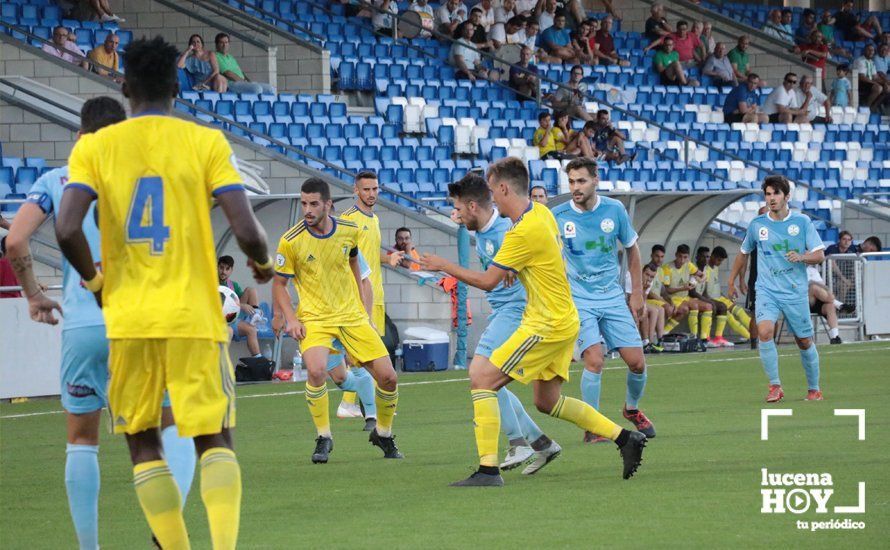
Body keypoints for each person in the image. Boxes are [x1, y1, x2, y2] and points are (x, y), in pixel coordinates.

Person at [54, 37, 274, 549]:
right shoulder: (206, 142)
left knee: (143, 440)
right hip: (195, 317)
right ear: (179, 87)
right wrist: (262, 264)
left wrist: (96, 283)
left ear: (124, 87)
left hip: (129, 319)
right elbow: (245, 229)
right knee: (213, 437)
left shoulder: (94, 146)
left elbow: (66, 229)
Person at [5, 96, 197, 550]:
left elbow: (14, 240)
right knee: (173, 426)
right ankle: (166, 533)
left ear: (79, 137)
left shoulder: (57, 179)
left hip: (84, 325)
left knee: (81, 440)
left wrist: (34, 294)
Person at [419, 157, 647, 487]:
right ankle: (625, 439)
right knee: (546, 402)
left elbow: (486, 281)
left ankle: (488, 470)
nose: (491, 198)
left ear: (503, 188)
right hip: (563, 318)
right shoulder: (542, 214)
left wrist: (443, 264)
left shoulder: (522, 231)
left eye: (493, 190)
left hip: (545, 323)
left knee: (481, 377)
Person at [272, 178, 402, 463]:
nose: (307, 209)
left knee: (389, 378)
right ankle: (323, 437)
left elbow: (354, 262)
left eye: (314, 203)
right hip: (315, 319)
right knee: (317, 371)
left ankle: (383, 432)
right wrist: (289, 318)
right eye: (304, 203)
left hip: (351, 316)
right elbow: (279, 284)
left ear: (328, 204)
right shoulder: (290, 240)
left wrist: (361, 310)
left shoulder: (348, 230)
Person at [448, 173, 561, 474]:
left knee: (480, 374)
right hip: (504, 311)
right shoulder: (485, 230)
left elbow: (512, 267)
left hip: (517, 311)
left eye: (458, 208)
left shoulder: (504, 232)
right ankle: (540, 443)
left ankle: (518, 442)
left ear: (472, 206)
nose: (454, 214)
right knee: (490, 382)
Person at [552, 158, 656, 444]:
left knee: (637, 363)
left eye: (581, 181)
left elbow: (632, 250)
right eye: (571, 181)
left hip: (611, 296)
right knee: (595, 361)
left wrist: (636, 292)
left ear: (596, 179)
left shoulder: (615, 210)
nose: (575, 187)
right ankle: (593, 426)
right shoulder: (558, 215)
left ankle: (631, 409)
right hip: (579, 299)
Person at [728, 176, 825, 403]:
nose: (771, 198)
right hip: (766, 290)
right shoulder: (758, 225)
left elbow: (819, 254)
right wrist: (731, 281)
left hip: (794, 291)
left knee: (803, 341)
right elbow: (743, 253)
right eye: (768, 194)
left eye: (776, 194)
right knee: (764, 332)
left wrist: (802, 257)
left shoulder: (801, 222)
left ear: (786, 196)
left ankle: (814, 389)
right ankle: (775, 386)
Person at [340, 172, 402, 418]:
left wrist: (389, 258)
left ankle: (354, 403)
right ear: (356, 190)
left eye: (375, 188)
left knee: (371, 352)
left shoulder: (374, 219)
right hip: (357, 297)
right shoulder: (347, 219)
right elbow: (343, 256)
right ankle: (354, 403)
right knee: (367, 352)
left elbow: (367, 255)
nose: (371, 193)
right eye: (366, 189)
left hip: (375, 294)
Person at [660, 244, 712, 350]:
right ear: (676, 255)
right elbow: (666, 290)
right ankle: (692, 337)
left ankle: (703, 339)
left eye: (685, 257)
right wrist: (683, 288)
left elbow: (702, 275)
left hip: (685, 298)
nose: (682, 260)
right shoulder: (667, 268)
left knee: (708, 306)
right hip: (673, 298)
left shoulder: (689, 265)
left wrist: (698, 280)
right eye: (680, 257)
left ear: (688, 257)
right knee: (687, 308)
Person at [701, 246, 751, 347]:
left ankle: (757, 333)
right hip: (712, 299)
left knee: (739, 311)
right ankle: (750, 336)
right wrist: (713, 301)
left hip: (720, 297)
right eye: (719, 260)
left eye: (721, 261)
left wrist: (727, 298)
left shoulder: (715, 268)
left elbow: (716, 287)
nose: (720, 263)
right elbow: (704, 292)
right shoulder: (705, 269)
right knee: (730, 317)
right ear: (712, 256)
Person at [218, 255, 264, 357]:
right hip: (223, 321)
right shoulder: (213, 284)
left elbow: (240, 301)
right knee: (250, 329)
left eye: (227, 269)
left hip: (234, 318)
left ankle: (255, 316)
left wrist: (242, 305)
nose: (223, 271)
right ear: (217, 267)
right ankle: (259, 362)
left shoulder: (233, 285)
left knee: (251, 290)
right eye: (221, 268)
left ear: (231, 270)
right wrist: (241, 306)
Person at [628, 263, 665, 353]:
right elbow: (629, 299)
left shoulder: (649, 283)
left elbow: (643, 301)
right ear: (641, 272)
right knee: (636, 315)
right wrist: (636, 312)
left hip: (636, 301)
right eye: (647, 275)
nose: (648, 278)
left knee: (643, 313)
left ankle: (646, 342)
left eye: (652, 277)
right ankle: (633, 345)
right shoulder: (630, 278)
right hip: (624, 302)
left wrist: (644, 289)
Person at [807, 266, 843, 344]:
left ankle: (835, 337)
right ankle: (839, 304)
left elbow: (823, 287)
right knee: (813, 287)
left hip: (818, 301)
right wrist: (817, 284)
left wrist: (827, 290)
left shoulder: (813, 270)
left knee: (830, 306)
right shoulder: (794, 270)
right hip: (804, 301)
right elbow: (808, 283)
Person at [854, 44, 887, 110]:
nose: (871, 52)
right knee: (878, 88)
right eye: (869, 50)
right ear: (864, 51)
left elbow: (875, 77)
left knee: (888, 88)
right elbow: (861, 77)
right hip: (860, 83)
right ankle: (866, 107)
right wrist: (876, 83)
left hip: (869, 82)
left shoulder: (871, 62)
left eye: (872, 50)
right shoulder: (860, 61)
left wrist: (885, 82)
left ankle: (874, 106)